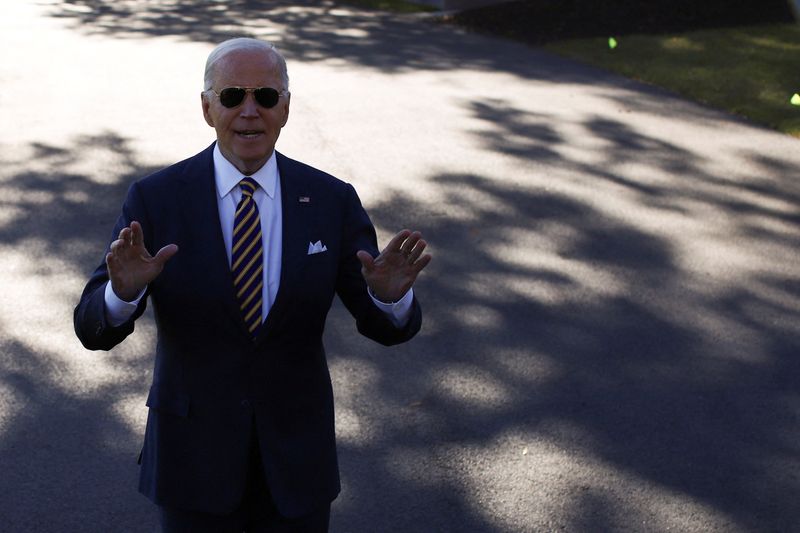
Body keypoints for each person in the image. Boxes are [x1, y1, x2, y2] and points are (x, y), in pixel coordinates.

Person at [74, 37, 430, 532]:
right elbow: (92, 325)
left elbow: (386, 325)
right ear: (206, 108)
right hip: (192, 463)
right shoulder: (156, 200)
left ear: (285, 109)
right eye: (231, 96)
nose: (248, 111)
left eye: (265, 96)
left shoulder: (331, 199)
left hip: (297, 463)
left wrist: (389, 300)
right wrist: (123, 293)